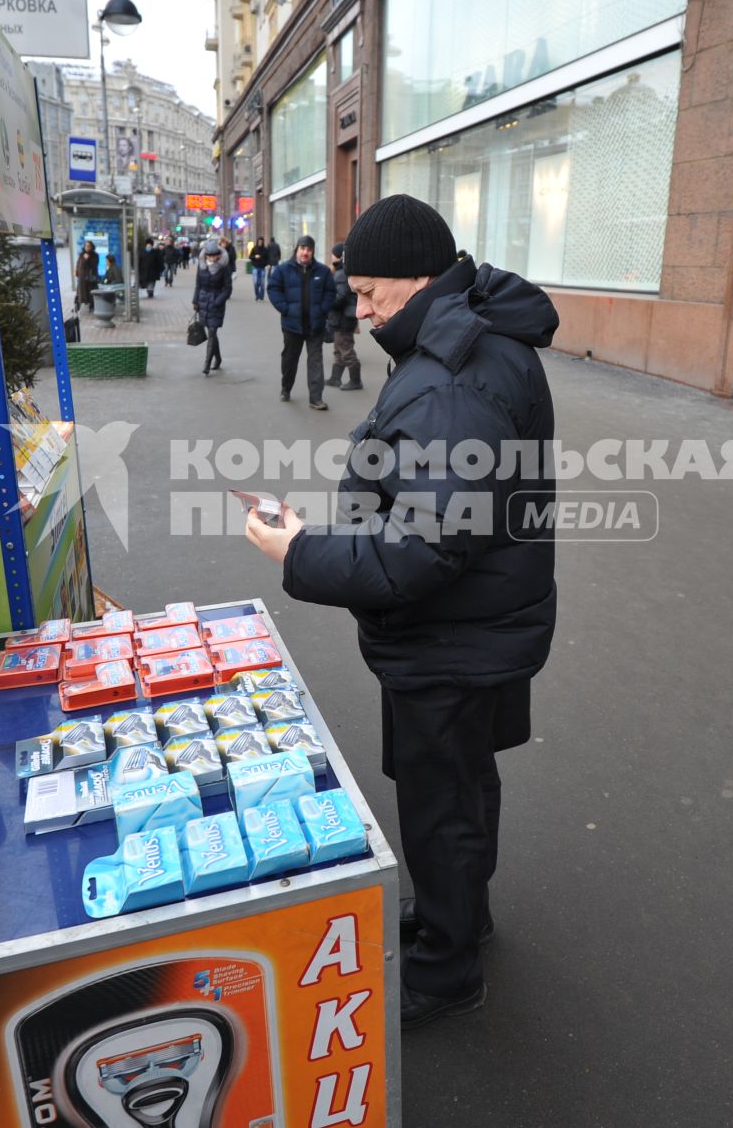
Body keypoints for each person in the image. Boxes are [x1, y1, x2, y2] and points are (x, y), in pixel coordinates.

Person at [243, 194, 558, 1031]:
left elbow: (423, 547)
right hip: (477, 623)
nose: (364, 309)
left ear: (423, 279)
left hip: (454, 634)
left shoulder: (457, 373)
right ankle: (460, 916)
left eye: (375, 292)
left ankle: (446, 968)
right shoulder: (460, 339)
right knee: (460, 785)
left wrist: (300, 552)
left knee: (440, 801)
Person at [266, 233, 335, 411]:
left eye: (309, 249)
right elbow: (273, 289)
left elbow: (330, 293)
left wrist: (322, 310)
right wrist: (286, 309)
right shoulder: (283, 270)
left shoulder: (323, 271)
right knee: (290, 360)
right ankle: (285, 387)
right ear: (297, 249)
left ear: (313, 252)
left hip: (315, 326)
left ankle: (316, 398)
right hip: (292, 326)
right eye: (303, 248)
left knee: (315, 362)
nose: (305, 252)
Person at [325, 240, 362, 392]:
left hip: (343, 319)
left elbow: (340, 297)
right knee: (338, 349)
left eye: (333, 254)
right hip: (342, 319)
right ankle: (335, 378)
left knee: (346, 350)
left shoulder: (341, 274)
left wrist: (327, 302)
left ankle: (356, 381)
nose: (331, 257)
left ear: (338, 257)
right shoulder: (344, 272)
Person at [193, 238, 233, 376]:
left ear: (219, 254)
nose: (212, 258)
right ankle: (219, 358)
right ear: (205, 255)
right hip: (203, 302)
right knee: (212, 333)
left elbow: (228, 289)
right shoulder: (201, 265)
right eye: (209, 255)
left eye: (215, 255)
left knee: (212, 331)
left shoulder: (224, 267)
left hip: (216, 304)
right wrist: (195, 301)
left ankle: (207, 364)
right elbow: (198, 284)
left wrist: (218, 301)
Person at [75, 240, 100, 315]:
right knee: (80, 292)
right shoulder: (82, 254)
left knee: (91, 292)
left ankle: (92, 306)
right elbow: (78, 263)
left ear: (92, 247)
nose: (87, 247)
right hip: (82, 277)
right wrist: (76, 271)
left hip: (90, 278)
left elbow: (94, 265)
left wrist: (87, 259)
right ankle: (78, 306)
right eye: (86, 246)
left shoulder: (95, 255)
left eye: (89, 246)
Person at [248, 237, 269, 301]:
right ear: (257, 242)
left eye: (261, 242)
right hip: (255, 267)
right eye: (259, 241)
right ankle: (257, 295)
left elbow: (267, 258)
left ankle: (261, 296)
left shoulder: (265, 249)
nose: (260, 243)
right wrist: (254, 256)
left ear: (263, 242)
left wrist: (265, 263)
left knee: (262, 283)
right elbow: (250, 256)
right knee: (256, 282)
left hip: (262, 268)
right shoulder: (254, 248)